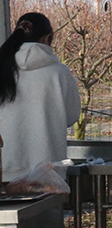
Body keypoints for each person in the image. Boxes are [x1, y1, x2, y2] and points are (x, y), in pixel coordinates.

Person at [0, 12, 81, 180]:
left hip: (6, 169)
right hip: (48, 172)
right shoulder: (60, 72)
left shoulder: (4, 70)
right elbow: (72, 116)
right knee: (45, 207)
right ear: (47, 38)